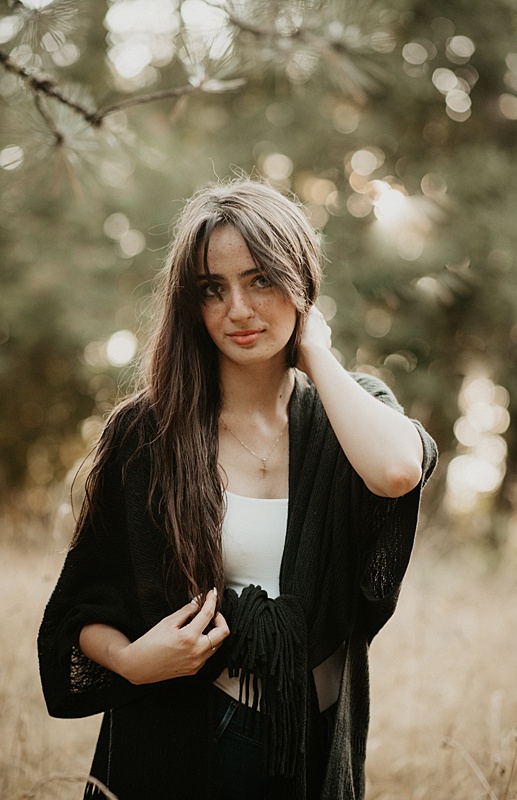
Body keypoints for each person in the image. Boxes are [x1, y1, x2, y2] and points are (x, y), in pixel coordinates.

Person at [38, 178, 437, 800]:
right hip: (188, 731)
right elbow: (84, 605)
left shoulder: (352, 409)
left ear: (301, 283)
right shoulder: (149, 433)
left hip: (314, 738)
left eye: (261, 280)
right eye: (212, 289)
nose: (238, 310)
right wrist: (131, 662)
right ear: (189, 305)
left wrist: (317, 352)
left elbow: (396, 473)